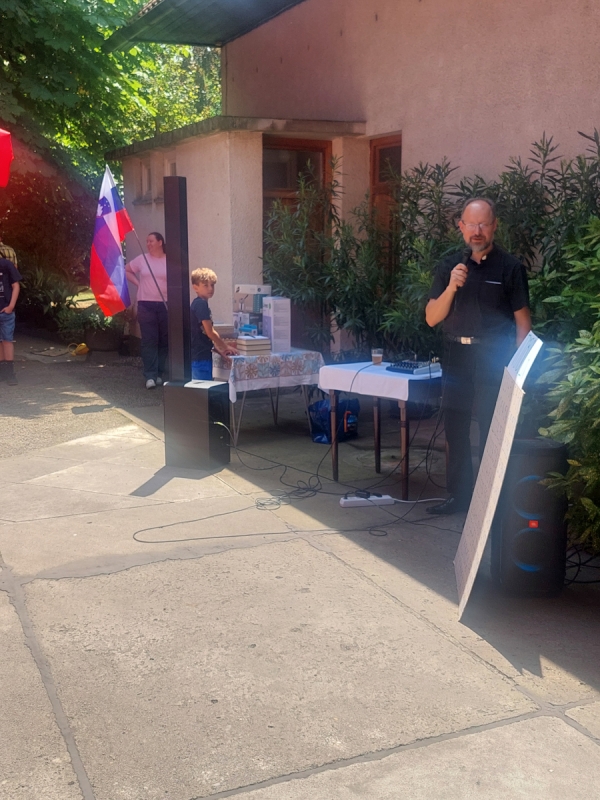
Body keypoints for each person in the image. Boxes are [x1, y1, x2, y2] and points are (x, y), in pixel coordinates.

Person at [425, 198, 531, 515]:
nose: (477, 231)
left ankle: (488, 502)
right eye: (471, 224)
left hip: (492, 358)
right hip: (456, 355)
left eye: (483, 224)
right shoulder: (449, 267)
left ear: (494, 226)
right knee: (455, 429)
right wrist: (452, 287)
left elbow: (523, 325)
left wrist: (517, 371)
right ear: (461, 227)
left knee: (489, 428)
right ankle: (460, 497)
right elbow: (431, 318)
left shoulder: (511, 268)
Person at [126, 232, 168, 389]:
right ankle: (150, 375)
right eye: (147, 241)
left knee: (163, 340)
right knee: (149, 340)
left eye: (151, 241)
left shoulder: (168, 260)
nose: (148, 244)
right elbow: (127, 270)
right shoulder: (142, 259)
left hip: (165, 305)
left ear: (160, 242)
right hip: (146, 305)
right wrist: (138, 284)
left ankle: (159, 373)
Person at [190, 268, 237, 379]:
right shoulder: (201, 304)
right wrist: (225, 346)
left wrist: (220, 351)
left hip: (201, 356)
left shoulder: (199, 304)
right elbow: (209, 332)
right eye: (205, 285)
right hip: (200, 358)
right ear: (195, 287)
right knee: (202, 389)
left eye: (212, 285)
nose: (210, 289)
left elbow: (204, 335)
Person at [0, 240, 22, 386]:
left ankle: (10, 373)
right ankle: (3, 372)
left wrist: (11, 306)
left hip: (5, 310)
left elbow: (16, 285)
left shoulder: (6, 264)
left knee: (7, 340)